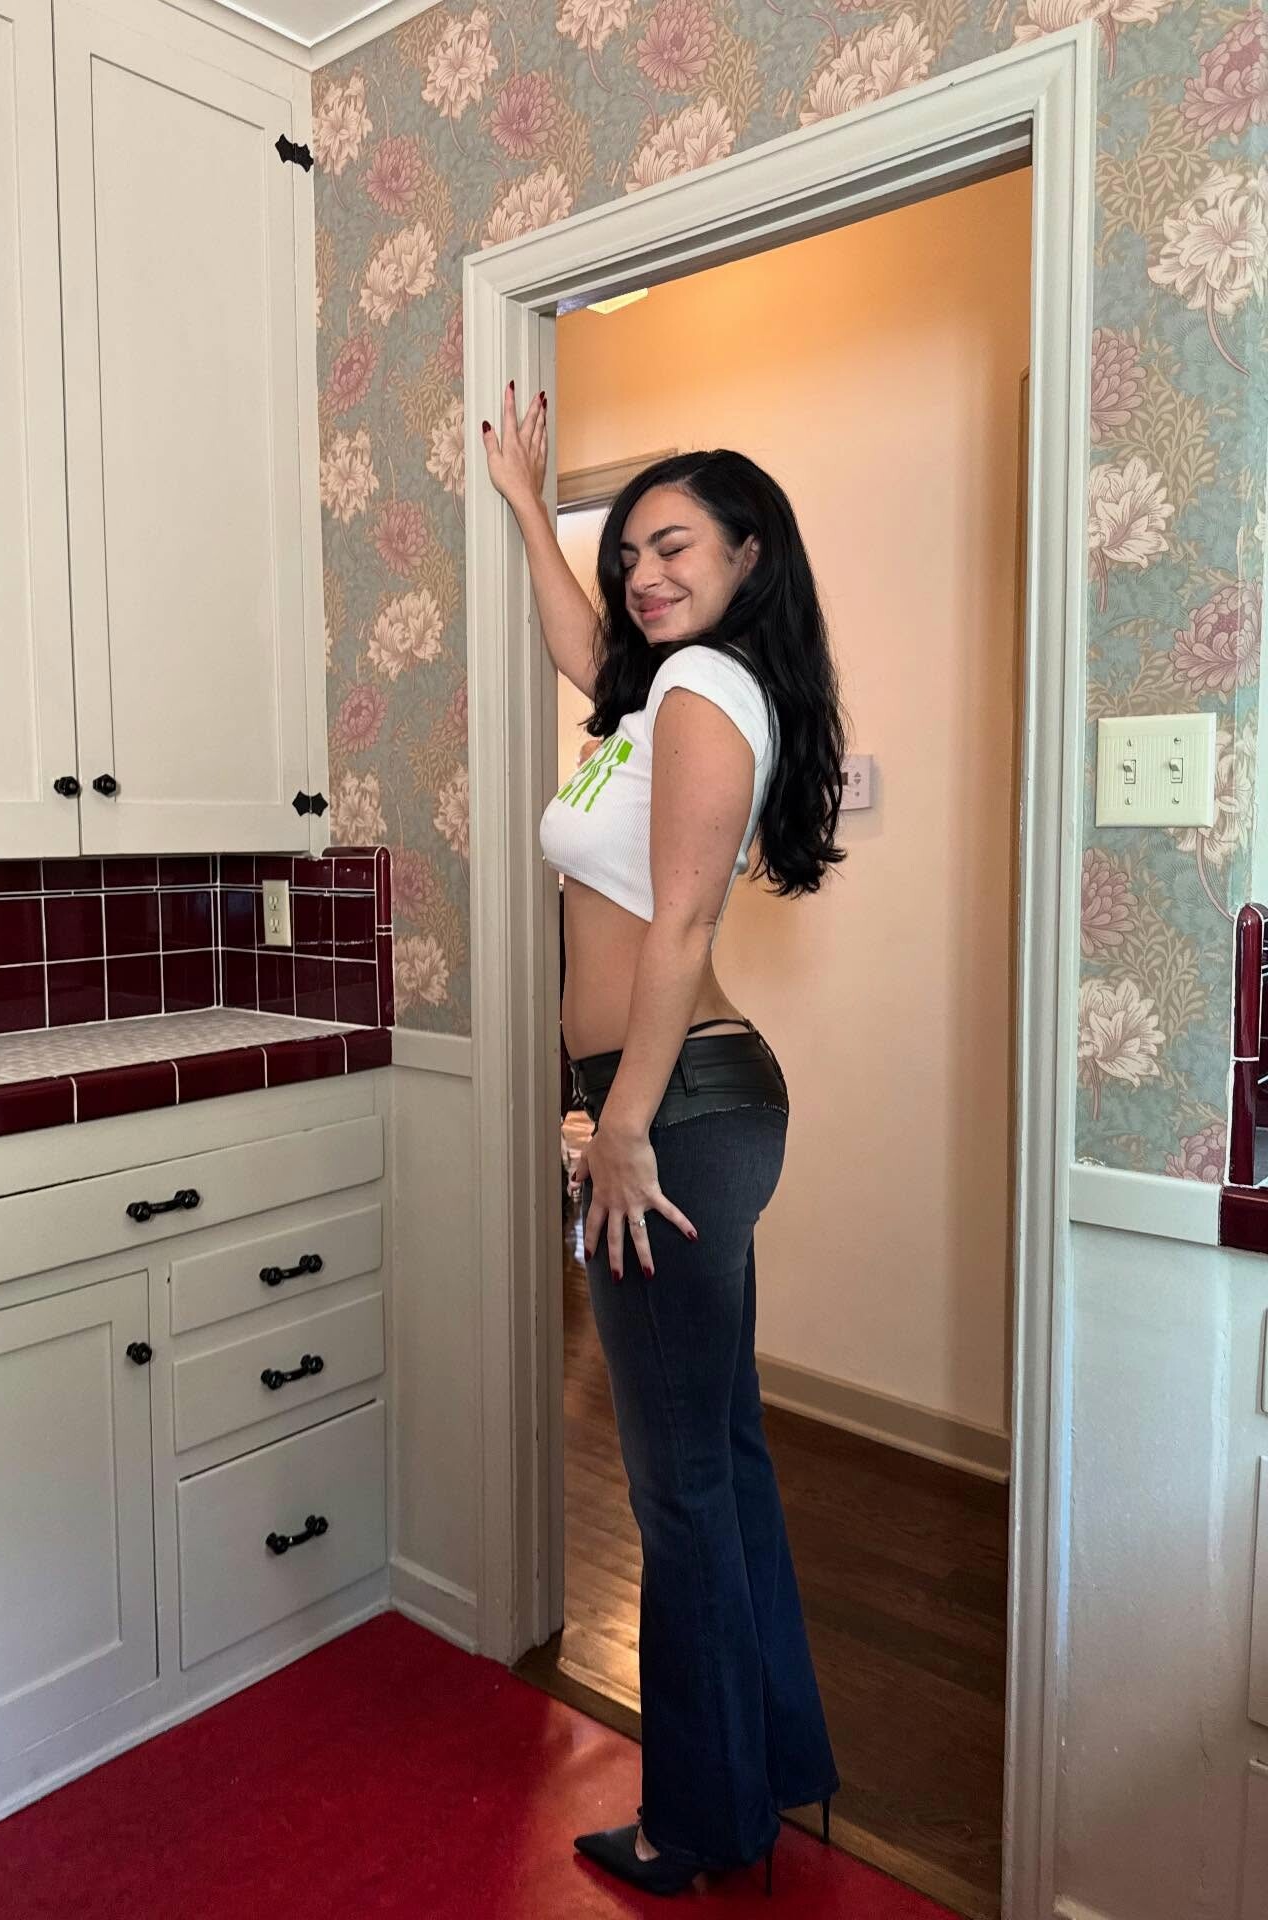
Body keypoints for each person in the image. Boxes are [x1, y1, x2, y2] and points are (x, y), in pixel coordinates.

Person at [481, 387, 847, 1899]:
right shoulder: (667, 695)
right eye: (629, 551)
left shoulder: (703, 687)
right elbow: (589, 652)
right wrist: (528, 507)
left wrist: (617, 1124)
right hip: (682, 1101)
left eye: (675, 545)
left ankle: (696, 1822)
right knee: (724, 1457)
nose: (642, 573)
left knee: (677, 1488)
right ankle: (773, 1764)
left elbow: (683, 923)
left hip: (672, 1107)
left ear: (749, 555)